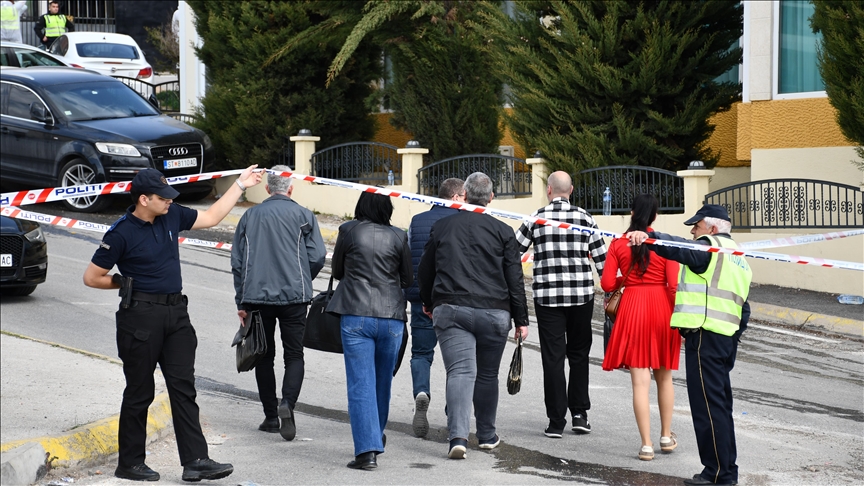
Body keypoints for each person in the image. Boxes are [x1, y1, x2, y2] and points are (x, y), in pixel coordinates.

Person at [83, 165, 262, 482]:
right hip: (140, 317)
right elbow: (92, 277)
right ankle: (130, 462)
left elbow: (211, 218)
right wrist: (124, 284)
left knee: (184, 388)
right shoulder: (121, 232)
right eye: (162, 197)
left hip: (176, 315)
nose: (169, 201)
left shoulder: (171, 215)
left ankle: (195, 461)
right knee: (140, 391)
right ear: (143, 199)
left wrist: (240, 186)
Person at [627, 204, 752, 486]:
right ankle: (724, 471)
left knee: (707, 409)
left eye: (697, 226)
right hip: (724, 339)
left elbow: (679, 248)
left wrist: (648, 236)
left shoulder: (709, 249)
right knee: (719, 408)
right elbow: (745, 308)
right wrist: (733, 337)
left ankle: (717, 474)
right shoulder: (738, 258)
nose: (693, 232)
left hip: (705, 337)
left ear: (712, 227)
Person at [418, 172, 530, 459]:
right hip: (494, 312)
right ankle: (486, 434)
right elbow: (514, 278)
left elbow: (426, 269)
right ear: (491, 198)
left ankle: (457, 437)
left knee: (460, 371)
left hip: (451, 309)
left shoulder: (442, 227)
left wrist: (428, 302)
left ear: (464, 196)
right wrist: (521, 320)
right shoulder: (504, 232)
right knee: (487, 375)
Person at [230, 165, 326, 441]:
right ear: (291, 188)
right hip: (295, 297)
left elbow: (238, 262)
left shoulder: (249, 216)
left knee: (263, 354)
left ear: (267, 188)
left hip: (257, 297)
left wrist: (241, 300)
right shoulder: (303, 216)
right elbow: (317, 256)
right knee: (294, 354)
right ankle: (288, 404)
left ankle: (271, 417)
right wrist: (302, 278)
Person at [515, 171, 606, 438]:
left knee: (553, 358)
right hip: (581, 298)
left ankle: (556, 421)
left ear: (549, 191)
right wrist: (612, 292)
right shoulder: (585, 218)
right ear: (572, 190)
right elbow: (603, 261)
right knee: (579, 355)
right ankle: (579, 414)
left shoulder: (536, 218)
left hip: (548, 299)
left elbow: (512, 252)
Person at [326, 191, 412, 470]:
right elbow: (407, 278)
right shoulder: (399, 236)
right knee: (382, 382)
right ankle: (376, 436)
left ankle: (366, 452)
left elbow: (337, 270)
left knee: (360, 383)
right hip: (393, 319)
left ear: (360, 206)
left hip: (356, 315)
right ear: (388, 208)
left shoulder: (348, 231)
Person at [601, 194, 680, 461]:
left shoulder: (618, 244)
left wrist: (626, 278)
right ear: (655, 216)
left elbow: (607, 284)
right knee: (664, 376)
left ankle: (646, 445)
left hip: (632, 307)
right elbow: (673, 284)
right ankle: (666, 436)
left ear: (631, 212)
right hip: (661, 308)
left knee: (639, 383)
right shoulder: (663, 243)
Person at [404, 177, 465, 438]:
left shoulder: (417, 221)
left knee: (421, 353)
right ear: (454, 197)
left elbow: (407, 257)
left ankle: (421, 391)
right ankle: (453, 412)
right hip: (453, 300)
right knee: (457, 362)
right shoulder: (461, 222)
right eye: (463, 197)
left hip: (421, 298)